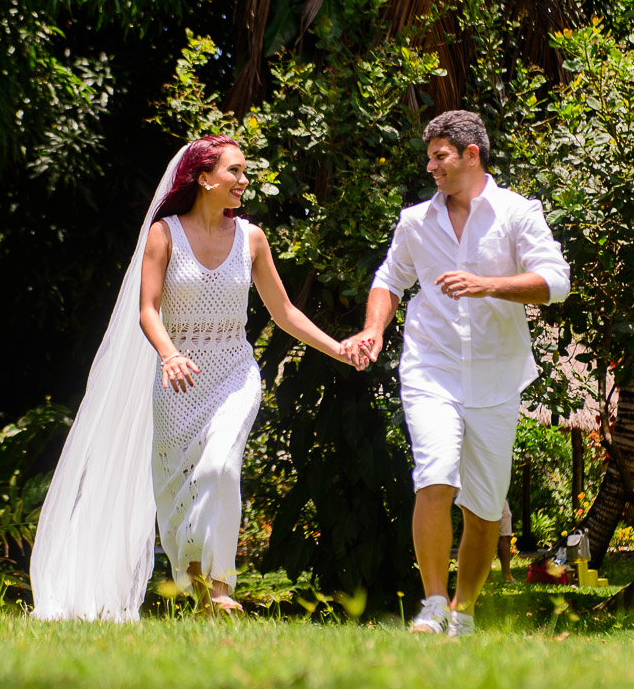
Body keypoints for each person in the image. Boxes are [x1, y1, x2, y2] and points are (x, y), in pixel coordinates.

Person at [31, 135, 354, 621]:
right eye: (235, 172)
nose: (244, 181)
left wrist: (338, 349)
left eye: (245, 172)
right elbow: (147, 310)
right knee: (178, 491)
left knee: (219, 469)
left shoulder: (251, 238)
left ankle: (220, 587)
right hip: (178, 381)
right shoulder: (164, 234)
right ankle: (203, 592)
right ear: (204, 178)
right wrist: (168, 354)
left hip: (233, 373)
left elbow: (284, 311)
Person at [344, 111, 570, 636]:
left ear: (472, 155)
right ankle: (433, 602)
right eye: (429, 157)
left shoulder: (517, 212)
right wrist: (374, 330)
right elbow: (389, 279)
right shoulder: (415, 222)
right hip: (431, 368)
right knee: (435, 476)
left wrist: (488, 284)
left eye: (440, 156)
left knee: (486, 507)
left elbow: (556, 282)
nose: (431, 167)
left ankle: (463, 611)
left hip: (496, 376)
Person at [497, 500, 515, 583]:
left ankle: (507, 575)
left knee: (506, 536)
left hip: (500, 495)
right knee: (486, 537)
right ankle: (487, 576)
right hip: (482, 494)